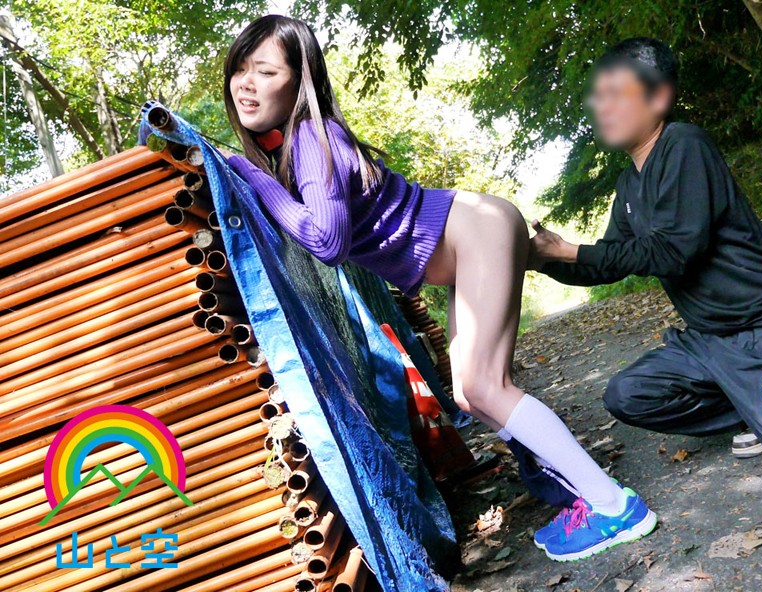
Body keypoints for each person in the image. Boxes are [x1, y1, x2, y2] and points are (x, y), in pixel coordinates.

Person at [220, 15, 657, 562]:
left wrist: (253, 178)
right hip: (470, 236)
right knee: (472, 394)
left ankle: (614, 506)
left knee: (487, 387)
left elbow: (327, 241)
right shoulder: (297, 145)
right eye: (241, 68)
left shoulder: (311, 136)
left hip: (475, 230)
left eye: (265, 71)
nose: (247, 83)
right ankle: (581, 495)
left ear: (299, 82)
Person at [531, 37, 762, 479]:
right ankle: (750, 407)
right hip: (709, 343)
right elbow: (608, 261)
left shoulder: (684, 145)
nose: (600, 105)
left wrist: (569, 249)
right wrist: (540, 259)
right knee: (628, 395)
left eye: (615, 93)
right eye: (597, 95)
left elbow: (675, 251)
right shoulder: (628, 184)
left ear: (657, 97)